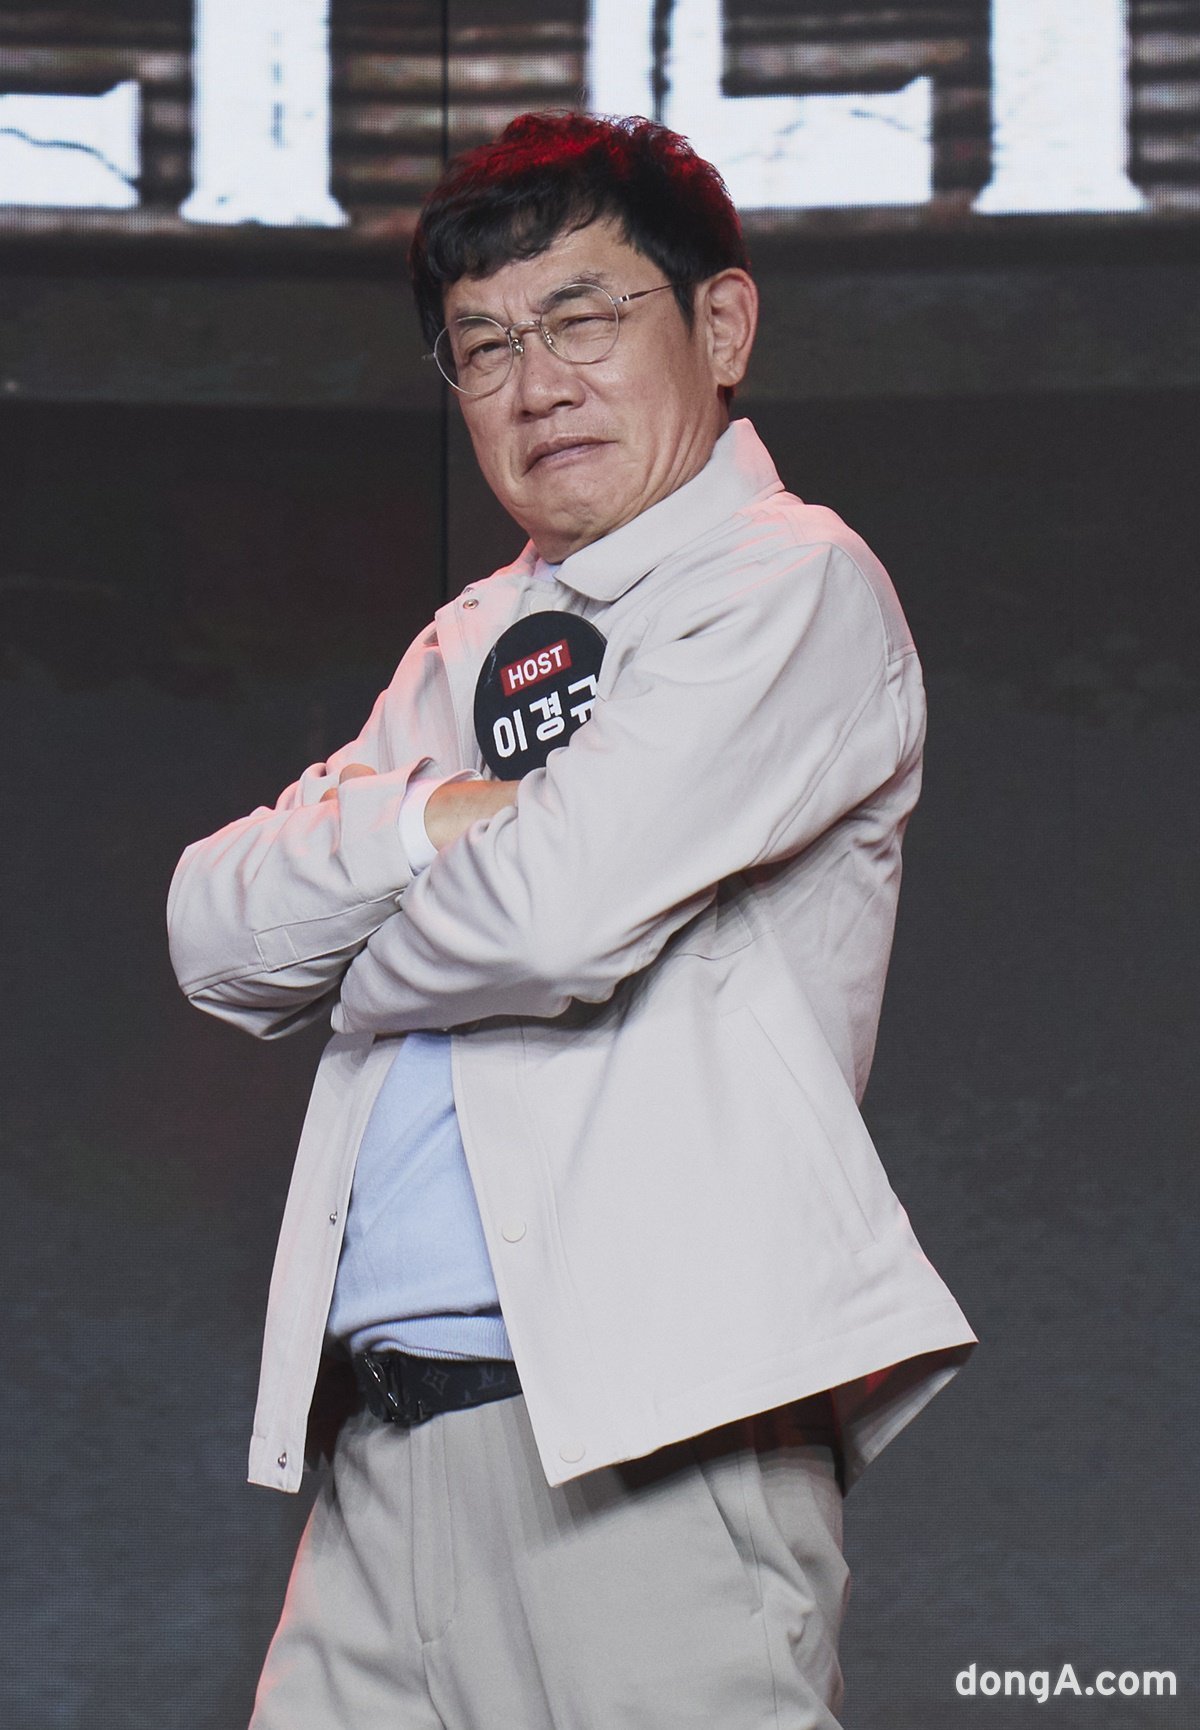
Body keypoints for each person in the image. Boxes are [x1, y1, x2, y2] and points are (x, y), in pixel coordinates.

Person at [167, 111, 976, 1730]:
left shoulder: (785, 580)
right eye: (486, 346)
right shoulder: (467, 639)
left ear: (720, 326)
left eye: (585, 318)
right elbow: (215, 932)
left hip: (647, 1453)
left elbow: (550, 921)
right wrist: (427, 820)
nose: (538, 385)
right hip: (378, 1463)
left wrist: (362, 949)